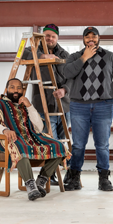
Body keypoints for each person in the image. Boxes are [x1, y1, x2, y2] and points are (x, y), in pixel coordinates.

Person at [0, 78, 71, 201]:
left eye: (19, 88)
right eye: (12, 87)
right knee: (19, 146)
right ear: (6, 89)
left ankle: (41, 181)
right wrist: (4, 130)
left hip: (28, 139)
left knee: (59, 146)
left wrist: (29, 106)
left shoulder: (25, 106)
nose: (16, 90)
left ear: (23, 90)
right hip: (2, 140)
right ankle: (30, 186)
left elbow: (39, 127)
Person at [63, 27, 113, 192]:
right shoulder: (75, 56)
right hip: (79, 106)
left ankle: (104, 179)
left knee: (102, 145)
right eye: (87, 37)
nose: (91, 39)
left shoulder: (111, 57)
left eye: (94, 36)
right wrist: (84, 58)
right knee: (78, 145)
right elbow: (66, 73)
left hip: (104, 105)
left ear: (99, 38)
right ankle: (74, 177)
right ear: (83, 39)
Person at [22, 24, 72, 185]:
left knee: (62, 141)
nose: (50, 38)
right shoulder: (31, 50)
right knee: (50, 141)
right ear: (43, 36)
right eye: (47, 35)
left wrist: (64, 89)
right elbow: (21, 53)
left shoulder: (65, 55)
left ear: (57, 38)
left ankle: (58, 172)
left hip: (63, 106)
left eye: (53, 36)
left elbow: (72, 78)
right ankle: (49, 175)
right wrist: (42, 56)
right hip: (43, 103)